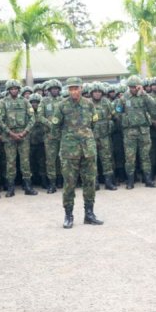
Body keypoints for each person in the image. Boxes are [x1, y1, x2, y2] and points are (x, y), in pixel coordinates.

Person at [52, 76, 103, 228]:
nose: (74, 91)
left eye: (76, 88)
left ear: (81, 88)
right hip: (69, 151)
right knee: (69, 184)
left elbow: (93, 124)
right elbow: (55, 128)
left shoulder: (89, 105)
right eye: (71, 89)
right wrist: (69, 139)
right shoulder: (62, 106)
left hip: (88, 150)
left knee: (90, 182)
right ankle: (68, 215)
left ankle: (89, 214)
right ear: (68, 90)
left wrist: (85, 138)